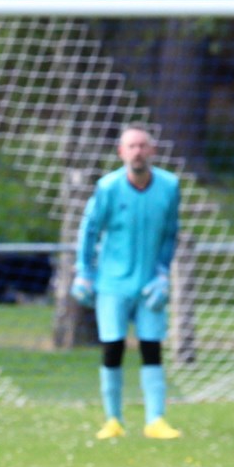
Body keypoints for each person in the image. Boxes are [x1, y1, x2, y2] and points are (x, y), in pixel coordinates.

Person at [70, 125, 182, 441]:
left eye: (143, 146)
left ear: (153, 151)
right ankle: (113, 419)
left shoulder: (170, 186)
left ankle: (155, 419)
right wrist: (84, 272)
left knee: (151, 348)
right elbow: (89, 230)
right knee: (113, 348)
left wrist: (162, 272)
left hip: (149, 285)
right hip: (113, 284)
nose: (137, 152)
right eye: (131, 146)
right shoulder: (108, 188)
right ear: (121, 152)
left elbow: (171, 233)